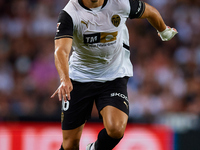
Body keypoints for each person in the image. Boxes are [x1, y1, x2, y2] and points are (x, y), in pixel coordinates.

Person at [51, 0, 178, 149]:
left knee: (116, 129)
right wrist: (65, 79)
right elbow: (61, 50)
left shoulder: (120, 3)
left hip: (113, 76)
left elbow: (150, 12)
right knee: (70, 144)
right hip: (80, 78)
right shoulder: (70, 13)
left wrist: (163, 31)